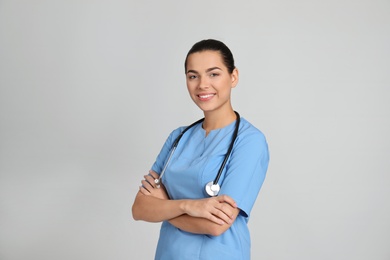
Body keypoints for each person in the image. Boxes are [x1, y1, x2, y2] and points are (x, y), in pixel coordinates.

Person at [132, 39, 269, 260]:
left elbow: (216, 226)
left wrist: (164, 207)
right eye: (193, 76)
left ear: (233, 77)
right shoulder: (178, 137)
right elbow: (139, 209)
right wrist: (190, 205)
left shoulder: (250, 141)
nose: (202, 84)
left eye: (213, 74)